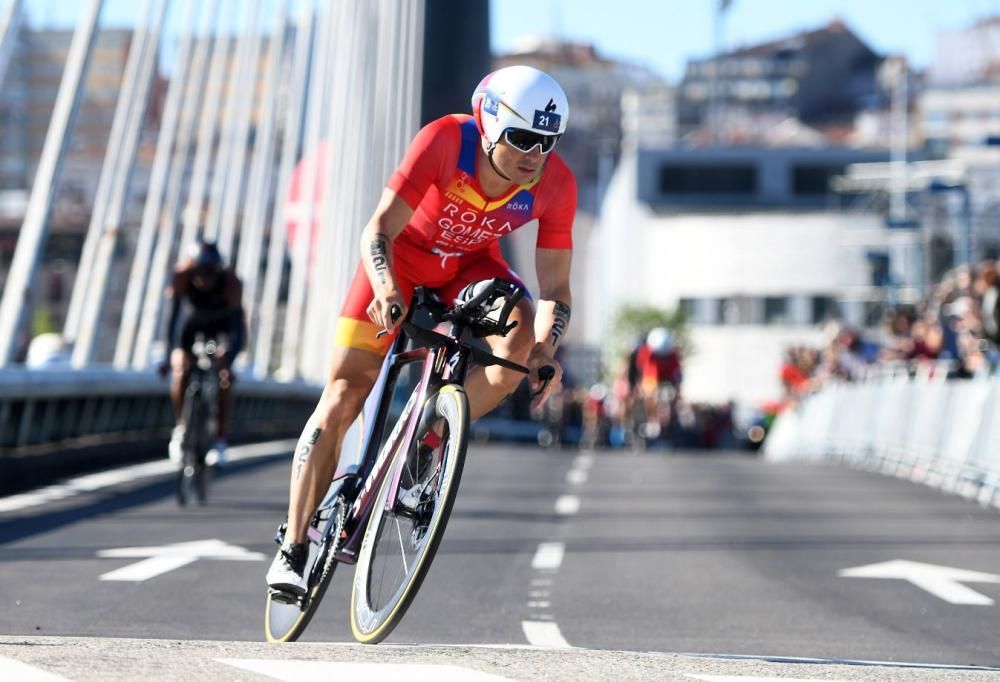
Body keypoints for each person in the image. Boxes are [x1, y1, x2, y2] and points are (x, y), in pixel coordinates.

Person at [266, 65, 578, 594]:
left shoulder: (555, 182)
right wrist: (387, 289)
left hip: (469, 267)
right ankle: (294, 546)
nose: (533, 155)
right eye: (522, 138)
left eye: (546, 142)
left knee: (519, 351)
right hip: (402, 262)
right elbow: (379, 229)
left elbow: (555, 288)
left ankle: (427, 445)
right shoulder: (444, 140)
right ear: (489, 124)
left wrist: (547, 348)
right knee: (344, 394)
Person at [160, 240, 246, 467]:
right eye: (200, 272)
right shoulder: (181, 277)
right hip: (191, 326)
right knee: (180, 370)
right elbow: (173, 320)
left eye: (210, 273)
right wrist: (172, 354)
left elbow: (237, 328)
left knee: (224, 380)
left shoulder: (231, 283)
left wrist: (228, 360)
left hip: (222, 328)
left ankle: (220, 440)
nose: (204, 279)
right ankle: (181, 428)